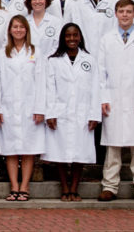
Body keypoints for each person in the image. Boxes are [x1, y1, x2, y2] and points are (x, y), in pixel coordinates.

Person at [97, 0, 134, 203]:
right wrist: (103, 97)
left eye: (128, 11)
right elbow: (100, 71)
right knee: (112, 148)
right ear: (115, 13)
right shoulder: (106, 39)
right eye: (121, 11)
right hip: (113, 99)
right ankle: (109, 186)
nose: (125, 15)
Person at [43, 24, 101, 202]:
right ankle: (65, 188)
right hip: (61, 112)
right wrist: (50, 113)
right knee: (60, 152)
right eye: (68, 36)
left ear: (80, 37)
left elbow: (95, 88)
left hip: (82, 113)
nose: (72, 39)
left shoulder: (89, 60)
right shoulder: (53, 60)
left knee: (80, 152)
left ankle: (74, 188)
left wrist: (94, 115)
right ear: (62, 38)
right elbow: (49, 88)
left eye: (75, 35)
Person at [0, 15, 46, 202]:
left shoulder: (36, 52)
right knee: (10, 149)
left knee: (28, 148)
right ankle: (14, 187)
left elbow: (41, 81)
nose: (18, 30)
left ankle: (24, 186)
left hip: (30, 107)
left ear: (27, 30)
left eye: (21, 27)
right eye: (15, 27)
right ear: (9, 30)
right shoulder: (2, 53)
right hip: (8, 106)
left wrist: (40, 108)